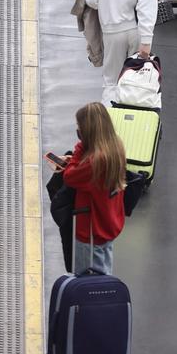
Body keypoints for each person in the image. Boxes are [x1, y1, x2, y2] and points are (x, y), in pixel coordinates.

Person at [57, 102, 127, 274]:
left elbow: (70, 177)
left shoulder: (95, 162)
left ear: (88, 131)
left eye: (80, 127)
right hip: (107, 227)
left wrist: (79, 148)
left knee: (87, 284)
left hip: (89, 231)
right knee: (103, 277)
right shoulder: (115, 147)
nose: (78, 130)